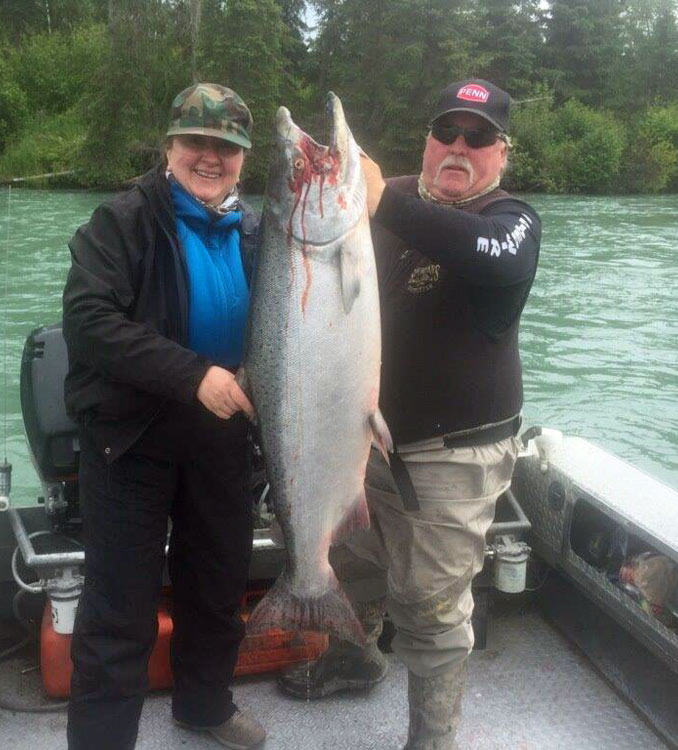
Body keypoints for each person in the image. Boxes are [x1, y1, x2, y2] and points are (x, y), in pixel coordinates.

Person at [279, 78, 542, 750]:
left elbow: (480, 253)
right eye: (446, 133)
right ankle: (354, 655)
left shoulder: (510, 224)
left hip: (454, 456)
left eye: (478, 137)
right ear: (427, 143)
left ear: (501, 154)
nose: (459, 147)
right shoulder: (376, 202)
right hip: (363, 439)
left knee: (429, 604)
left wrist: (381, 199)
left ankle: (433, 738)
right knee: (354, 554)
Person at [62, 82, 266, 750]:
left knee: (216, 590)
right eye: (197, 143)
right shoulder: (120, 222)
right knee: (119, 614)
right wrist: (192, 375)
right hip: (133, 441)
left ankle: (204, 707)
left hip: (224, 440)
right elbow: (89, 323)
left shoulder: (260, 232)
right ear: (169, 146)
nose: (211, 158)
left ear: (244, 156)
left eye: (226, 147)